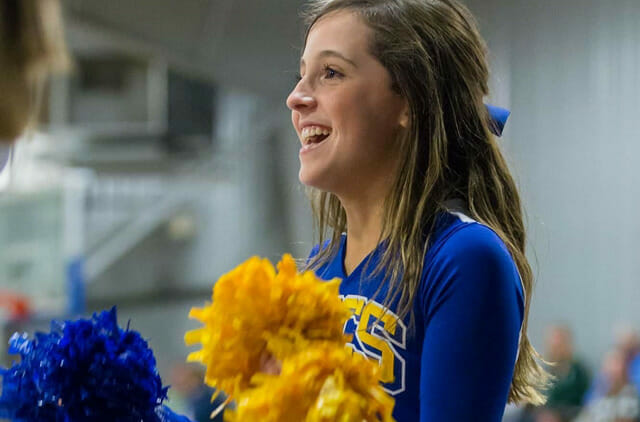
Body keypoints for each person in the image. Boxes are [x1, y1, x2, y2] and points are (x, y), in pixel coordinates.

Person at [285, 0, 549, 420]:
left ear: (409, 101)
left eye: (331, 73)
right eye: (301, 75)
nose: (295, 98)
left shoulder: (464, 259)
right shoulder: (313, 276)